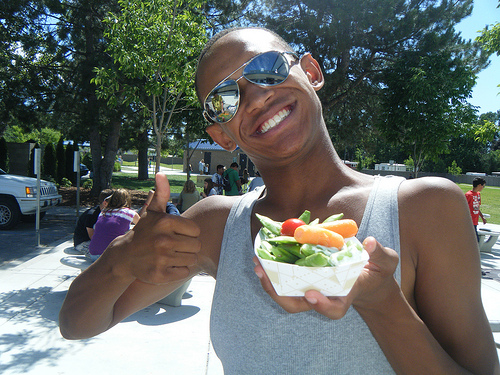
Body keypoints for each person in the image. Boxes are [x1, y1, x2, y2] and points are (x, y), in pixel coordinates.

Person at [59, 27, 499, 374]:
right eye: (224, 99)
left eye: (267, 68)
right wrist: (121, 258)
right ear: (221, 136)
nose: (254, 97)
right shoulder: (215, 225)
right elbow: (78, 324)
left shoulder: (424, 208)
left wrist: (381, 304)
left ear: (311, 71)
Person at [88, 189, 140, 261]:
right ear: (127, 200)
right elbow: (144, 228)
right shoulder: (130, 213)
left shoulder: (104, 211)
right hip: (112, 256)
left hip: (93, 254)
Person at [73, 189, 113, 257]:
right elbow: (92, 237)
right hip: (83, 242)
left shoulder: (107, 213)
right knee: (101, 256)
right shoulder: (91, 215)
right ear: (105, 203)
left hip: (96, 240)